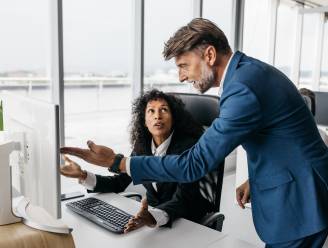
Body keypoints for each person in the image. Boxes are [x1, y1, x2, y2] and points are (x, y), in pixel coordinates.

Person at [61, 18, 328, 247]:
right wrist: (255, 179)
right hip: (296, 183)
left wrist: (116, 162)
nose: (180, 77)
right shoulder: (245, 75)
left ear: (209, 55)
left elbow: (194, 164)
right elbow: (278, 139)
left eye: (184, 65)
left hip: (302, 198)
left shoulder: (242, 89)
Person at [60, 89, 213, 233]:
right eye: (151, 111)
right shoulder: (142, 146)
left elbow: (183, 200)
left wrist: (152, 217)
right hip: (152, 223)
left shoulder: (189, 148)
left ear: (174, 118)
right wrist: (83, 176)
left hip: (187, 223)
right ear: (144, 120)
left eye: (164, 110)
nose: (157, 116)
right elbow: (119, 182)